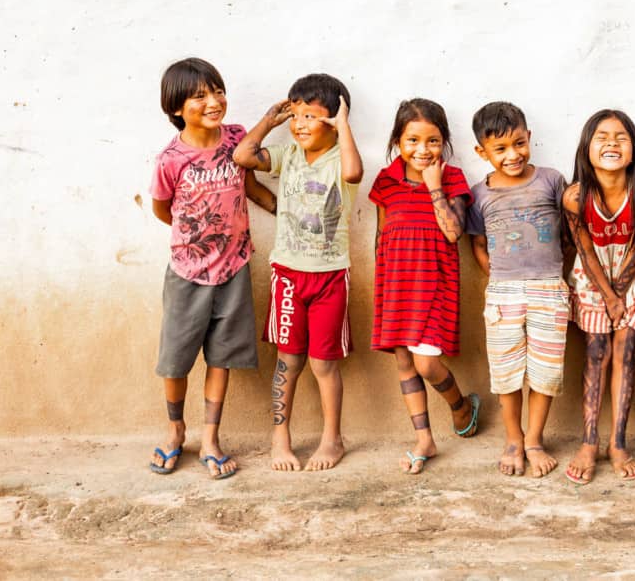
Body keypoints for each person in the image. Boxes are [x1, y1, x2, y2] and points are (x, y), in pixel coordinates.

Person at [149, 57, 276, 479]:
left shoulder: (237, 139)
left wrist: (282, 210)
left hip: (234, 269)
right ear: (176, 109)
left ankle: (210, 437)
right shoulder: (171, 159)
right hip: (188, 273)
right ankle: (175, 431)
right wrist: (197, 240)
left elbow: (251, 185)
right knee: (175, 359)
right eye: (200, 95)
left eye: (217, 91)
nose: (214, 101)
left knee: (221, 358)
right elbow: (163, 210)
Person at [233, 73, 363, 472]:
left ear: (334, 120)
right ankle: (280, 437)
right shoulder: (288, 154)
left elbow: (355, 173)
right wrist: (270, 121)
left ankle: (332, 439)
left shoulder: (341, 157)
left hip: (328, 277)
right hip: (288, 274)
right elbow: (242, 157)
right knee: (289, 360)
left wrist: (342, 125)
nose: (301, 123)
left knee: (324, 364)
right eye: (297, 115)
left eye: (312, 116)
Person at [369, 98, 481, 474]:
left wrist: (435, 188)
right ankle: (424, 440)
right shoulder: (385, 182)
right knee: (404, 362)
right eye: (412, 140)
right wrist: (381, 287)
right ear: (398, 141)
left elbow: (453, 233)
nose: (422, 149)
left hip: (435, 285)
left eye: (432, 141)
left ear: (444, 141)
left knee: (427, 364)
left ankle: (460, 404)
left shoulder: (452, 179)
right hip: (396, 285)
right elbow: (380, 236)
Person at [466, 101, 569, 478]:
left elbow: (570, 233)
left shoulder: (553, 180)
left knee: (546, 370)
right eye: (501, 149)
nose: (513, 155)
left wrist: (555, 272)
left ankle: (535, 440)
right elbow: (477, 244)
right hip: (503, 293)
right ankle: (513, 437)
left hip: (549, 289)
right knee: (507, 371)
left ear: (529, 139)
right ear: (482, 152)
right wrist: (499, 276)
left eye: (519, 143)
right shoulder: (479, 194)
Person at [563, 109, 635, 484]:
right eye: (601, 137)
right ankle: (589, 441)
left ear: (633, 150)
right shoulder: (575, 197)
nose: (611, 143)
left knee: (626, 350)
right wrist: (607, 297)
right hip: (595, 274)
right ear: (586, 148)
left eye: (621, 137)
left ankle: (618, 442)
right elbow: (585, 252)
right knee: (596, 351)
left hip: (633, 275)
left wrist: (620, 296)